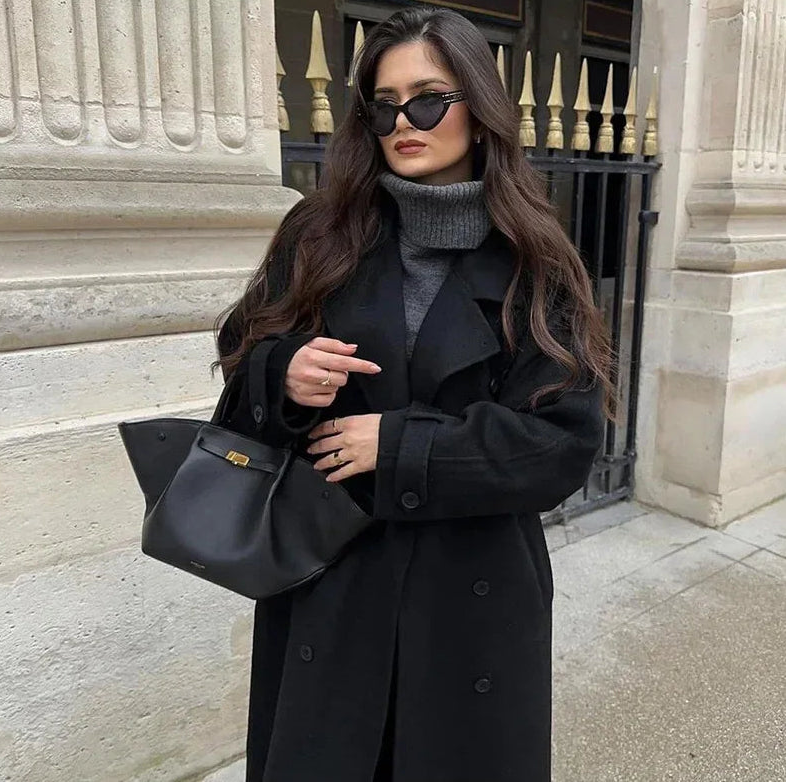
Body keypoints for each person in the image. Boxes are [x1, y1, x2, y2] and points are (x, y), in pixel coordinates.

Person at [215, 6, 611, 781]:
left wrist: (399, 447)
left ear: (479, 108)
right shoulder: (320, 231)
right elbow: (241, 352)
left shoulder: (538, 258)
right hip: (331, 570)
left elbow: (564, 445)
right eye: (384, 104)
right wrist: (283, 373)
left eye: (428, 98)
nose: (405, 120)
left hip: (471, 585)